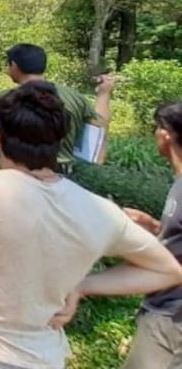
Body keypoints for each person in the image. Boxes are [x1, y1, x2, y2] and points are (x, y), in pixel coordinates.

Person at [0, 82, 182, 369]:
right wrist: (82, 286)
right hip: (38, 357)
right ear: (60, 139)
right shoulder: (100, 211)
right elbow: (167, 271)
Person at [0, 44, 114, 169]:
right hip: (62, 173)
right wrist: (104, 94)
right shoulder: (75, 97)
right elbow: (98, 128)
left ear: (14, 65)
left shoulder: (5, 98)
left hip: (18, 171)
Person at [120, 102, 182, 369]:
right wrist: (155, 227)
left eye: (157, 127)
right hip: (163, 307)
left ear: (166, 134)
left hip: (172, 314)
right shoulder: (178, 183)